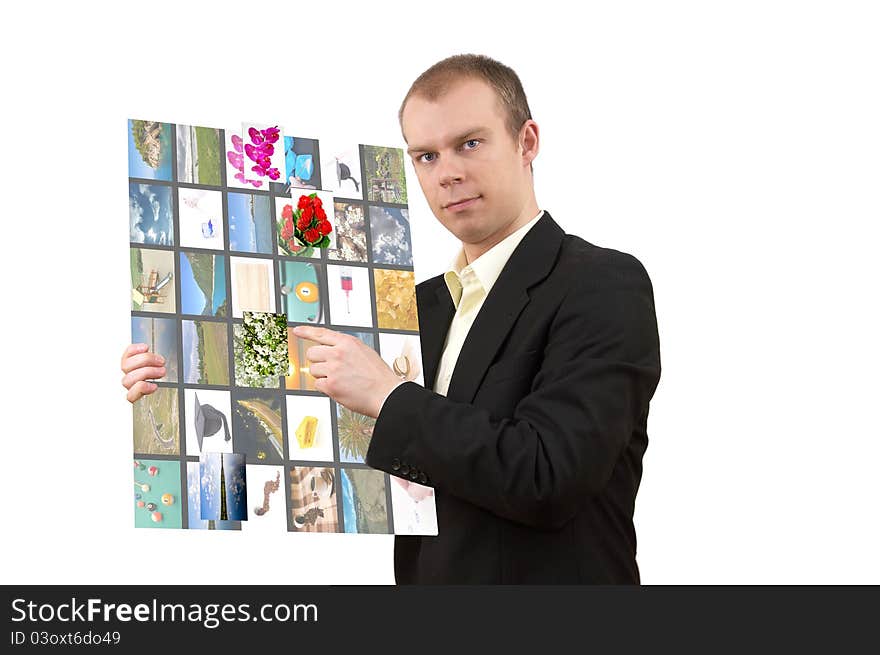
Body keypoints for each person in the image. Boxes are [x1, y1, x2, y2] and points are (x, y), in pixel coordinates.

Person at [121, 53, 661, 584]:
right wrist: (179, 377)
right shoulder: (414, 307)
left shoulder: (601, 284)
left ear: (527, 142)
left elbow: (549, 476)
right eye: (425, 156)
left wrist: (387, 395)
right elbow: (306, 445)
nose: (447, 173)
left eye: (469, 144)